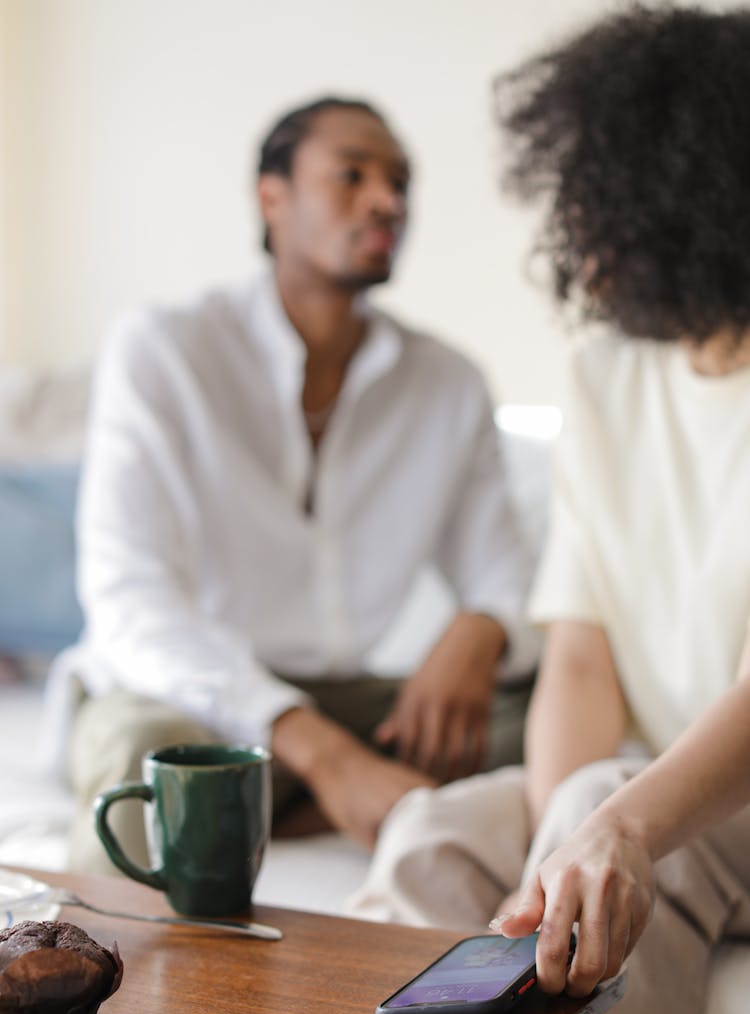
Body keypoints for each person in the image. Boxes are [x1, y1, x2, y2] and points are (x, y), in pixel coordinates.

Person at [346, 8, 750, 1014]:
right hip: (642, 773)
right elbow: (578, 654)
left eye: (597, 198)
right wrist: (554, 847)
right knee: (431, 832)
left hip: (727, 788)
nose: (576, 234)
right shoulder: (608, 374)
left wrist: (606, 825)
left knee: (597, 806)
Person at [65, 95, 538, 875]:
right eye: (352, 175)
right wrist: (322, 753)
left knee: (552, 714)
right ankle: (294, 798)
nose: (388, 200)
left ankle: (278, 803)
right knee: (145, 753)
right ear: (271, 196)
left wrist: (481, 627)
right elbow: (129, 602)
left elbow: (507, 574)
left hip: (348, 697)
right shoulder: (164, 350)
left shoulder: (448, 383)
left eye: (399, 181)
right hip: (185, 693)